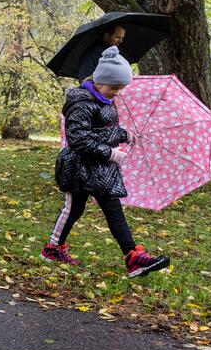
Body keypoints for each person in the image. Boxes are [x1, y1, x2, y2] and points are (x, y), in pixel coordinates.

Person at [44, 46, 169, 278]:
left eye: (120, 89)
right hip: (78, 167)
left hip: (100, 168)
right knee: (74, 208)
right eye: (114, 88)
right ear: (100, 81)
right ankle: (52, 248)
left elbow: (104, 129)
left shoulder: (105, 100)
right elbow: (79, 139)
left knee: (113, 207)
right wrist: (110, 153)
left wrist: (123, 134)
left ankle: (132, 257)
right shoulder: (80, 103)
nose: (117, 93)